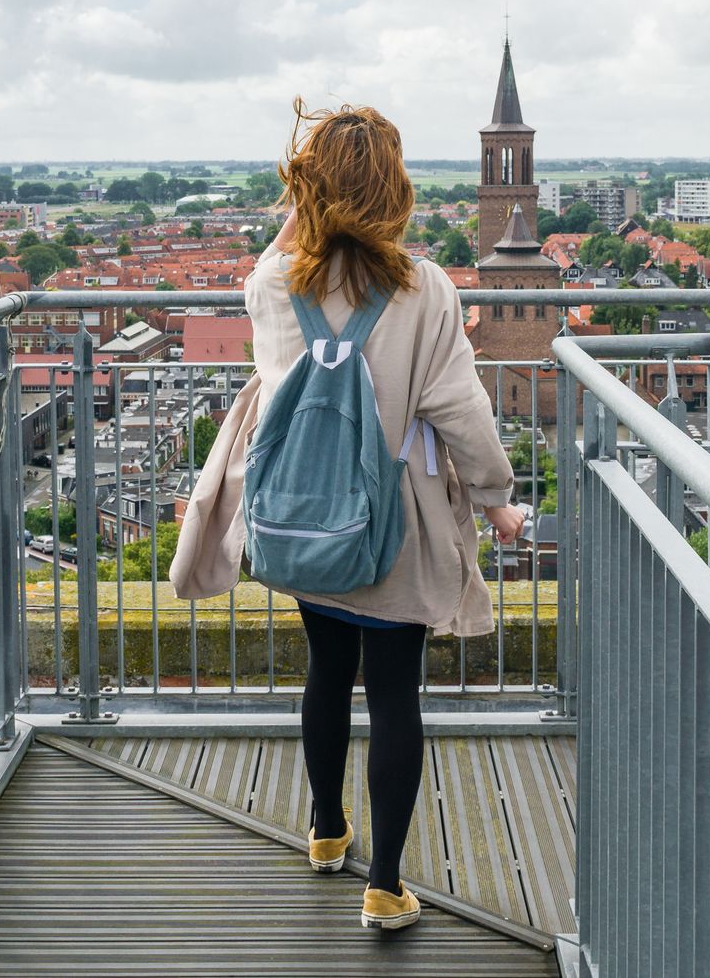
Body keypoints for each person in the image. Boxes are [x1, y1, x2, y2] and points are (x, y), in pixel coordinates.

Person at [172, 99, 525, 932]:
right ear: (395, 189)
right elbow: (459, 408)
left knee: (327, 674)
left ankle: (326, 834)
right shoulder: (426, 289)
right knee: (395, 694)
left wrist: (305, 206)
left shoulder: (270, 286)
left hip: (302, 522)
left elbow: (278, 257)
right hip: (393, 528)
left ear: (309, 190)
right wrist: (497, 499)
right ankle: (386, 886)